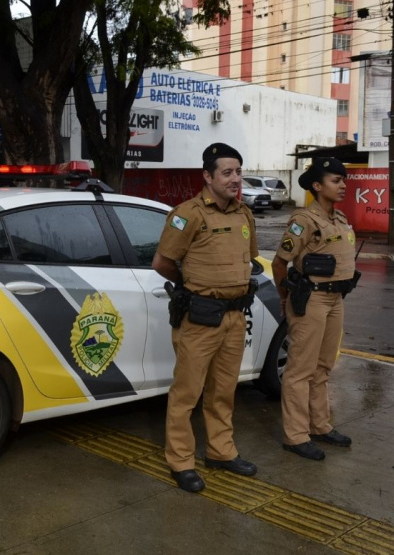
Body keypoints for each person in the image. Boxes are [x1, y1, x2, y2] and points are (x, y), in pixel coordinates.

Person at [152, 142, 259, 493]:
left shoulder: (244, 215)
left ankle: (220, 452)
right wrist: (192, 286)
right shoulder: (189, 214)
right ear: (207, 176)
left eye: (238, 172)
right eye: (227, 172)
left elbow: (249, 260)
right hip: (199, 318)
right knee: (187, 394)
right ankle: (181, 461)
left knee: (224, 392)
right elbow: (163, 263)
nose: (235, 179)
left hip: (234, 317)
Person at [271, 158, 359, 461]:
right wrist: (286, 299)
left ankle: (320, 425)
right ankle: (295, 435)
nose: (343, 185)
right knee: (300, 371)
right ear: (318, 186)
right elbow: (279, 263)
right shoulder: (304, 220)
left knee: (323, 367)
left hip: (336, 300)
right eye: (336, 180)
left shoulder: (339, 218)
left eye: (344, 180)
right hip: (311, 300)